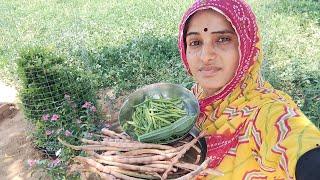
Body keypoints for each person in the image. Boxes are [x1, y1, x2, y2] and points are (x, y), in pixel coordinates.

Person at [177, 0, 320, 179]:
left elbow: (298, 144)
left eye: (223, 39)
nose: (206, 56)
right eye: (196, 42)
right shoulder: (195, 98)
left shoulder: (268, 112)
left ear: (247, 47)